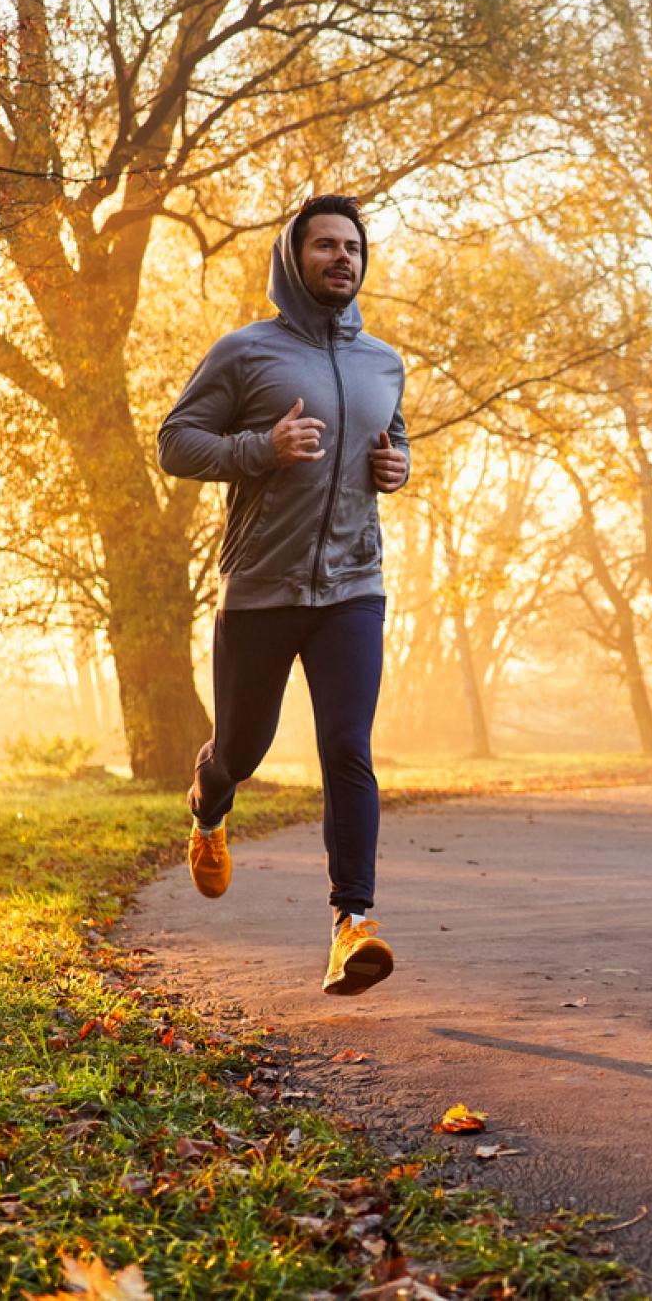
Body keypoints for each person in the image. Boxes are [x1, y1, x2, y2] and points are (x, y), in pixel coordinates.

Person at [157, 194, 409, 997]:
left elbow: (391, 438)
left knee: (348, 747)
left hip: (352, 588)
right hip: (262, 587)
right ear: (292, 259)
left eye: (353, 248)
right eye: (326, 246)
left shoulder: (383, 361)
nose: (343, 258)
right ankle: (208, 805)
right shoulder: (245, 353)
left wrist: (398, 466)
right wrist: (259, 449)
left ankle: (352, 925)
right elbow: (175, 441)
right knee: (242, 746)